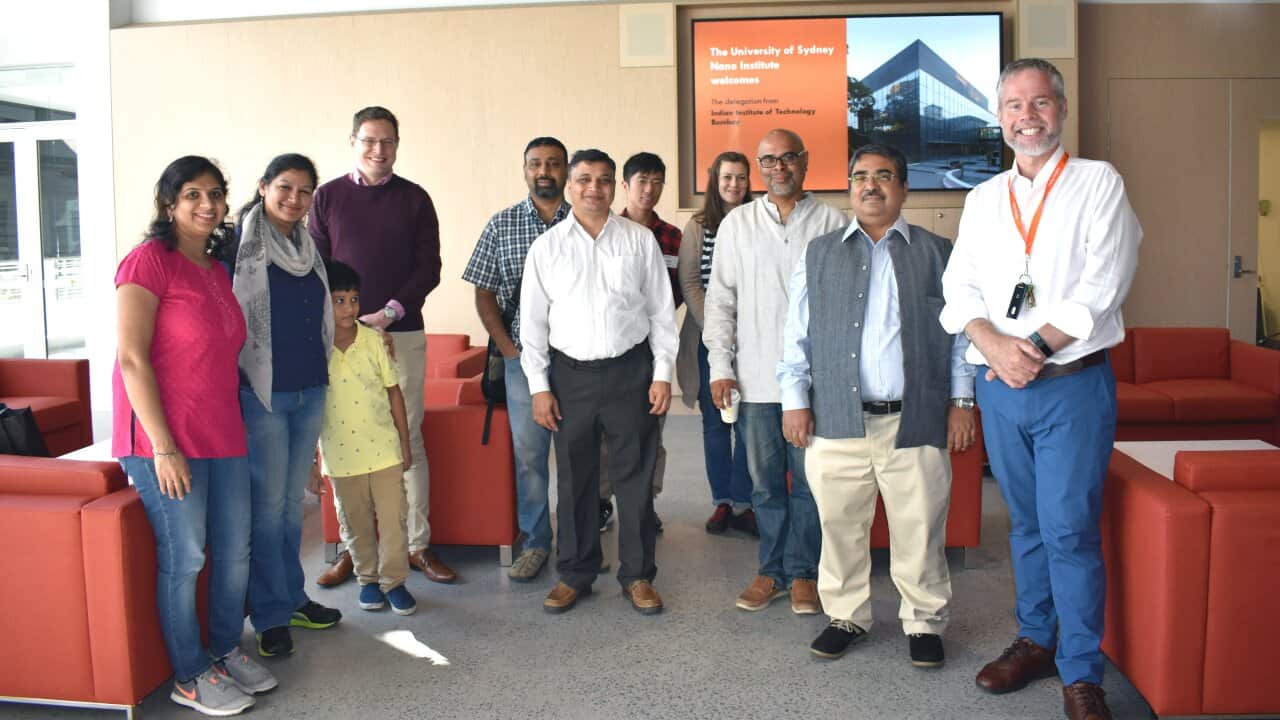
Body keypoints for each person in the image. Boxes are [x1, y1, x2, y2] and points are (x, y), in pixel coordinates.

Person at [940, 58, 1141, 720]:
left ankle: (1082, 671)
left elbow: (1101, 287)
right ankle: (1037, 639)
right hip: (1002, 385)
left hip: (1071, 386)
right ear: (999, 119)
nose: (1028, 115)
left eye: (1041, 102)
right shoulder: (982, 198)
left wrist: (1031, 350)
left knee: (1069, 531)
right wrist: (993, 345)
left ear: (1062, 109)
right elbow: (959, 289)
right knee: (1023, 525)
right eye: (1014, 106)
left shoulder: (1097, 184)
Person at [777, 144, 977, 666]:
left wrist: (962, 401)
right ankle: (847, 615)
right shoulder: (819, 253)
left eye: (884, 176)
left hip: (916, 419)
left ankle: (924, 620)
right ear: (849, 188)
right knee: (840, 525)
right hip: (837, 420)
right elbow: (796, 334)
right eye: (860, 176)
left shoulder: (937, 253)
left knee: (921, 525)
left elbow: (959, 338)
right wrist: (794, 400)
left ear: (904, 188)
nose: (870, 185)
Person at [114, 156, 276, 716]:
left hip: (222, 433)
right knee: (185, 557)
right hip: (164, 440)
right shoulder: (146, 262)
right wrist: (163, 447)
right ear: (168, 203)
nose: (206, 205)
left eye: (214, 194)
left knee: (234, 553)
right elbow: (133, 360)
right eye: (191, 195)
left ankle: (225, 651)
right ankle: (189, 674)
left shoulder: (212, 267)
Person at [519, 149, 678, 615]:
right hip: (571, 377)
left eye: (604, 180)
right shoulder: (547, 247)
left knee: (635, 479)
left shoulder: (639, 241)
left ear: (615, 187)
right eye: (584, 179)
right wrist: (539, 387)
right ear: (570, 186)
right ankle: (576, 573)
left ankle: (638, 576)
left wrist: (663, 374)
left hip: (632, 372)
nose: (594, 188)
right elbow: (532, 327)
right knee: (575, 480)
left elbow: (660, 315)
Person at [703, 129, 846, 615]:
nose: (778, 167)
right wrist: (720, 365)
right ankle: (772, 570)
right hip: (757, 378)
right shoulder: (737, 225)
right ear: (758, 167)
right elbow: (721, 301)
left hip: (813, 385)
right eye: (768, 160)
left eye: (788, 158)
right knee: (764, 484)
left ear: (805, 162)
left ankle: (804, 572)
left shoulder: (832, 220)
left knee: (809, 483)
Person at [310, 106, 456, 584]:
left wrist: (388, 313)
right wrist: (343, 317)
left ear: (398, 144)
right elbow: (317, 268)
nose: (378, 150)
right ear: (352, 140)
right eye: (369, 140)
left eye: (387, 141)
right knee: (343, 436)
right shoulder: (326, 197)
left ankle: (417, 545)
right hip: (337, 338)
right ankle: (357, 550)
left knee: (404, 434)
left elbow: (428, 267)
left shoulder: (415, 199)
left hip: (401, 331)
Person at [228, 154, 341, 658]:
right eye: (284, 188)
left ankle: (292, 597)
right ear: (263, 187)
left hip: (310, 387)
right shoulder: (238, 247)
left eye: (303, 192)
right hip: (263, 393)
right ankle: (270, 615)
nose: (294, 200)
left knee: (294, 507)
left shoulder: (308, 247)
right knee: (269, 510)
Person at [462, 136, 572, 582]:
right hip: (522, 362)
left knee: (577, 455)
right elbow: (483, 293)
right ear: (524, 170)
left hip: (578, 362)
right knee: (530, 456)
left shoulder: (586, 221)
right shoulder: (500, 225)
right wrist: (509, 350)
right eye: (535, 164)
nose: (544, 171)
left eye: (552, 163)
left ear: (565, 170)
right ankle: (536, 541)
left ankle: (580, 542)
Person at [312, 259, 417, 615]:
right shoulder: (314, 347)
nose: (348, 308)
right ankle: (368, 580)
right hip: (340, 456)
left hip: (384, 451)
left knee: (393, 521)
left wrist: (404, 443)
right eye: (338, 300)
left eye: (353, 299)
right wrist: (313, 460)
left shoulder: (374, 341)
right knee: (354, 522)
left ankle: (395, 582)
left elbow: (394, 393)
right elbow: (309, 407)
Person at [598, 151, 681, 534]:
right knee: (604, 437)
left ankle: (646, 502)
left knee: (651, 432)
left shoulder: (671, 238)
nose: (649, 190)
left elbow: (674, 293)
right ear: (625, 187)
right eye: (641, 182)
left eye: (656, 182)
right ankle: (601, 501)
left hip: (652, 351)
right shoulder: (604, 231)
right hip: (611, 350)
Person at [676, 151, 757, 536]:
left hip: (755, 340)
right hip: (710, 339)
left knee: (749, 424)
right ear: (715, 179)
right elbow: (690, 282)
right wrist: (718, 329)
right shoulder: (697, 224)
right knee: (716, 424)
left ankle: (745, 503)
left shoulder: (759, 220)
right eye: (727, 177)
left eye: (741, 178)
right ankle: (722, 502)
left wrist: (746, 329)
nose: (734, 185)